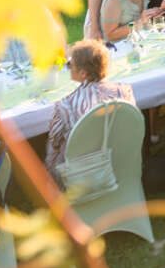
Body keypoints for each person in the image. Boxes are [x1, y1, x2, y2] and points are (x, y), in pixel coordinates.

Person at [44, 41, 134, 172]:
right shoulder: (124, 92)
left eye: (70, 64)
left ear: (83, 73)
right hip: (122, 166)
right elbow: (130, 128)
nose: (68, 68)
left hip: (82, 177)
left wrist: (48, 175)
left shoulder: (64, 107)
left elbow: (54, 146)